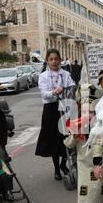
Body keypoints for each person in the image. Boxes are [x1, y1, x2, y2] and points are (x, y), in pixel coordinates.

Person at [64, 83, 103, 203]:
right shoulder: (76, 125)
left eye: (93, 111)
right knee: (85, 191)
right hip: (84, 163)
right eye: (86, 111)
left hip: (100, 162)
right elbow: (67, 144)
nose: (89, 115)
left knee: (102, 187)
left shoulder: (102, 124)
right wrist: (74, 135)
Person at [35, 49, 75, 180]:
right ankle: (56, 169)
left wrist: (67, 90)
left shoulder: (66, 74)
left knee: (67, 137)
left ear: (60, 60)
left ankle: (64, 164)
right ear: (47, 61)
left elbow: (72, 86)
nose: (54, 61)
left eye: (56, 59)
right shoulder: (43, 76)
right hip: (51, 110)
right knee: (53, 139)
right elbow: (44, 94)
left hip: (65, 107)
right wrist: (54, 92)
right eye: (51, 59)